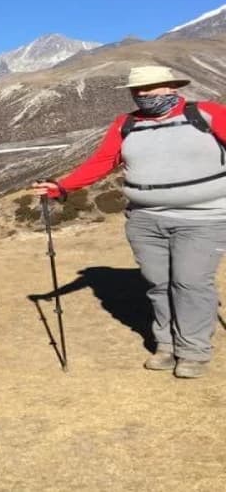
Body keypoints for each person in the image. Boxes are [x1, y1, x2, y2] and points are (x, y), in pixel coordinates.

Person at [32, 65, 226, 379]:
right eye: (138, 90)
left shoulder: (206, 113)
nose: (144, 94)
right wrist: (62, 186)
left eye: (151, 88)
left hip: (204, 217)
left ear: (170, 86)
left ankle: (193, 351)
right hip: (145, 219)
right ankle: (166, 345)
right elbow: (102, 162)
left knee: (190, 282)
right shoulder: (126, 124)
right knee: (158, 284)